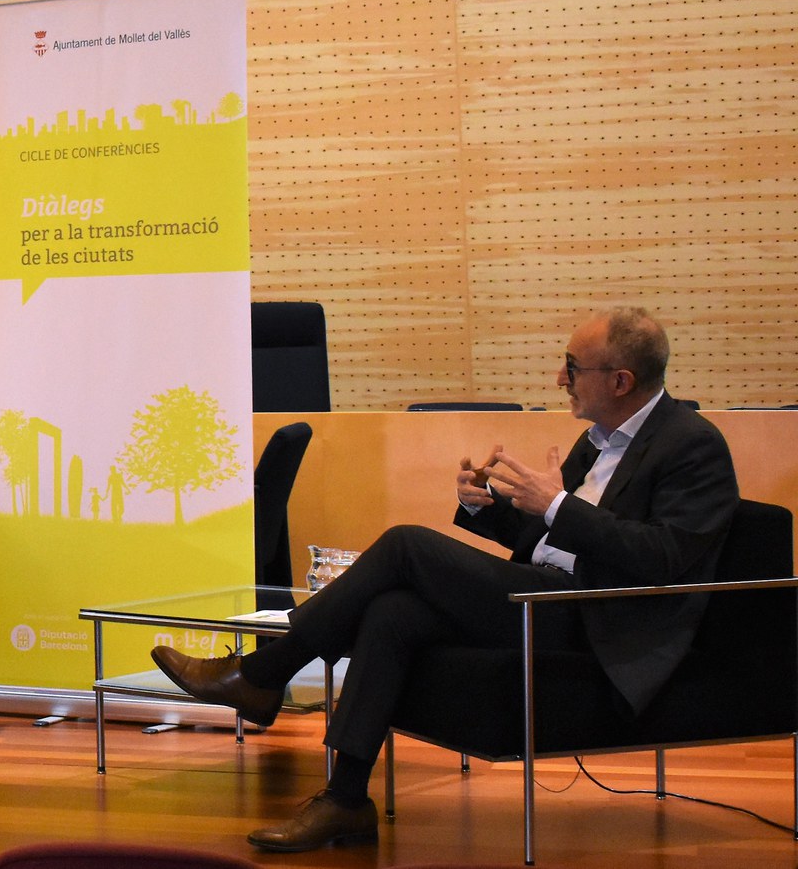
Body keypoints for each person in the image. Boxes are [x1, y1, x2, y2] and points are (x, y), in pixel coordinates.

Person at [151, 306, 737, 853]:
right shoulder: (598, 440)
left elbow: (663, 556)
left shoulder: (692, 444)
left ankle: (261, 674)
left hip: (602, 618)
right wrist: (489, 508)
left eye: (572, 366)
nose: (561, 378)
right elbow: (551, 535)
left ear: (620, 380)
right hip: (546, 592)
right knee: (394, 613)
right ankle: (345, 800)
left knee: (406, 545)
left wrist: (558, 505)